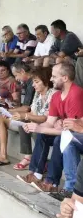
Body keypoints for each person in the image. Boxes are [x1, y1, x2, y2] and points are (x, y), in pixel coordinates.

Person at [18, 63, 83, 194]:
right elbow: (49, 122)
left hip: (75, 134)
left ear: (65, 78)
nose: (51, 79)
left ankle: (52, 183)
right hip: (68, 133)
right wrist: (35, 127)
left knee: (60, 139)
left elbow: (72, 131)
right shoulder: (56, 96)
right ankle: (36, 175)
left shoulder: (76, 93)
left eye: (54, 76)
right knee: (44, 135)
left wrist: (40, 128)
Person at [13, 67, 55, 170]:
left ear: (45, 80)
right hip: (40, 123)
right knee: (23, 122)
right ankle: (28, 157)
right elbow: (32, 112)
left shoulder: (53, 94)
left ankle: (42, 160)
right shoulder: (38, 94)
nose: (33, 85)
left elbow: (46, 118)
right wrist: (18, 115)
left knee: (33, 127)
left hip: (51, 126)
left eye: (36, 82)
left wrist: (27, 116)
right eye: (33, 82)